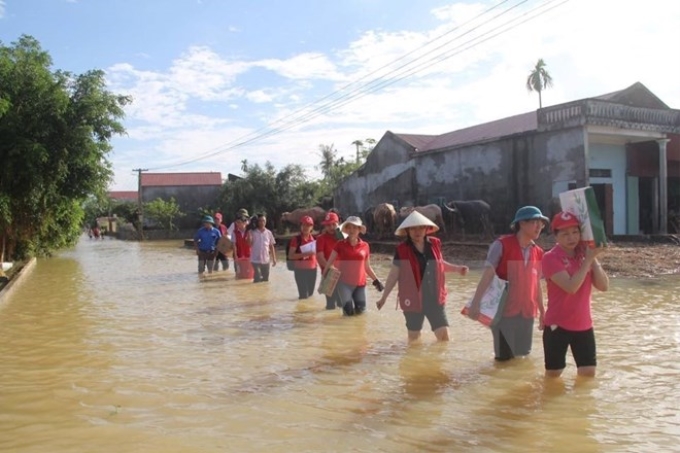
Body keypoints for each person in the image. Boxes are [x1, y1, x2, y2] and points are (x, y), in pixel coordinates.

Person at [468, 206, 547, 361]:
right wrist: (475, 304)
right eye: (535, 222)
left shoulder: (538, 252)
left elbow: (536, 284)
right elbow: (487, 276)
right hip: (503, 313)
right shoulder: (501, 245)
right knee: (504, 360)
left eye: (541, 223)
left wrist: (543, 312)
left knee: (522, 357)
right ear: (521, 224)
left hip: (527, 313)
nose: (539, 227)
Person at [376, 211, 468, 342]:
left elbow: (440, 265)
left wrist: (457, 269)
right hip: (412, 300)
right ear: (407, 231)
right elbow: (393, 275)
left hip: (434, 298)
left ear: (426, 229)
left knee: (443, 337)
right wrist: (384, 297)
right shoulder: (402, 250)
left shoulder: (434, 244)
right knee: (414, 340)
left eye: (420, 227)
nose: (417, 231)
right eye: (413, 228)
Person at [542, 211, 609, 378]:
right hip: (557, 325)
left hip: (584, 325)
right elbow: (571, 287)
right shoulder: (550, 258)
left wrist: (593, 259)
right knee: (553, 376)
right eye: (564, 234)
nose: (571, 237)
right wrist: (587, 261)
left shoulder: (584, 254)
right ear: (555, 236)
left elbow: (603, 286)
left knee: (588, 375)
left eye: (575, 232)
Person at [323, 216, 381, 316]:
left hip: (360, 284)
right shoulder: (339, 244)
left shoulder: (365, 246)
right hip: (344, 284)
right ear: (346, 229)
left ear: (359, 229)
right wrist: (327, 280)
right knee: (348, 313)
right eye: (349, 227)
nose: (352, 230)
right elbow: (329, 263)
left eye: (355, 227)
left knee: (361, 312)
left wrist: (376, 281)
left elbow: (367, 267)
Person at [316, 211, 343, 309]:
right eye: (328, 225)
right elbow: (320, 257)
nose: (331, 227)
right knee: (330, 305)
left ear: (338, 224)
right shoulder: (320, 239)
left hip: (343, 274)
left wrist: (339, 233)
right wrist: (331, 268)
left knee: (342, 304)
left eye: (333, 224)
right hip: (328, 274)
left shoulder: (342, 238)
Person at [288, 215, 318, 299]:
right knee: (303, 296)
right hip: (300, 271)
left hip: (313, 270)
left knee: (311, 294)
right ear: (301, 226)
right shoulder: (296, 240)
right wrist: (306, 254)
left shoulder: (314, 239)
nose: (306, 227)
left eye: (308, 225)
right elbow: (291, 256)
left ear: (312, 227)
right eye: (304, 225)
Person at [248, 213, 277, 283]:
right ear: (257, 222)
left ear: (266, 221)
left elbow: (271, 246)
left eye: (263, 221)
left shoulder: (269, 233)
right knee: (257, 276)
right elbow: (249, 244)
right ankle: (255, 290)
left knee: (265, 279)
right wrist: (249, 234)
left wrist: (274, 259)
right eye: (260, 221)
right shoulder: (253, 232)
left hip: (266, 259)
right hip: (255, 259)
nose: (262, 222)